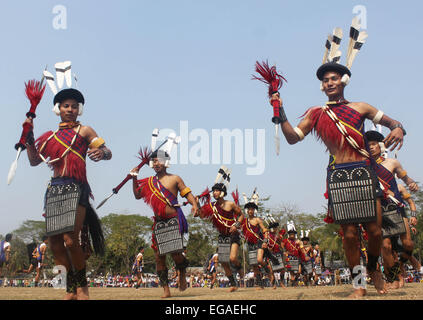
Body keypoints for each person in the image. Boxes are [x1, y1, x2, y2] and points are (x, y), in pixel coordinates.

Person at [257, 21, 407, 297]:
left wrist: (399, 127)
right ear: (322, 86)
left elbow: (392, 121)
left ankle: (374, 267)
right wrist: (280, 110)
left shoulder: (361, 107)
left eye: (334, 79)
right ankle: (359, 285)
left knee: (374, 231)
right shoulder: (316, 113)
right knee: (349, 235)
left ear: (343, 81)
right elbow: (293, 137)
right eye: (325, 80)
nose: (329, 83)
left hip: (364, 172)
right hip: (339, 176)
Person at [26, 84, 109, 300]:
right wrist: (28, 137)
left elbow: (107, 151)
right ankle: (70, 288)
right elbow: (34, 160)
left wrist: (101, 152)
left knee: (71, 240)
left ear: (78, 110)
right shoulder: (49, 137)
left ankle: (83, 288)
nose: (70, 109)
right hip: (55, 189)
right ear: (58, 109)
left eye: (74, 106)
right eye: (65, 106)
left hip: (77, 187)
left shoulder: (85, 131)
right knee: (54, 243)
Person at [132, 148, 198, 298]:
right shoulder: (149, 182)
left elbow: (187, 193)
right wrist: (134, 178)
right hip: (159, 223)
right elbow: (137, 195)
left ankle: (182, 269)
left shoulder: (175, 178)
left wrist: (194, 204)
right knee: (158, 257)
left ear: (166, 163)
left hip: (174, 220)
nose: (156, 163)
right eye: (154, 161)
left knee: (176, 255)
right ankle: (165, 289)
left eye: (159, 160)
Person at [365, 130, 419, 289]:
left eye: (374, 144)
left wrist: (411, 183)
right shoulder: (365, 167)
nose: (372, 147)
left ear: (380, 146)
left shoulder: (392, 163)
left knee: (408, 244)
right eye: (368, 145)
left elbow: (405, 177)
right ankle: (395, 277)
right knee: (386, 247)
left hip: (396, 209)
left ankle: (399, 265)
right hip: (379, 212)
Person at [195, 167, 243, 292]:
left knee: (232, 258)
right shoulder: (212, 206)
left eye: (217, 190)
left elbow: (241, 215)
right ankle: (233, 284)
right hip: (222, 236)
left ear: (222, 192)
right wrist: (197, 204)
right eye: (214, 191)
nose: (215, 193)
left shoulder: (230, 204)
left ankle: (239, 266)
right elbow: (200, 214)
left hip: (233, 234)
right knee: (223, 261)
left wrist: (236, 225)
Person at [237, 196, 270, 290]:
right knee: (254, 265)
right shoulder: (244, 221)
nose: (250, 211)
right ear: (247, 211)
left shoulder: (258, 220)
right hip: (250, 244)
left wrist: (266, 241)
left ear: (254, 210)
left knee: (259, 260)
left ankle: (266, 268)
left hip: (259, 242)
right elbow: (241, 231)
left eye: (252, 209)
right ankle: (260, 283)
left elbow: (264, 230)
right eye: (249, 209)